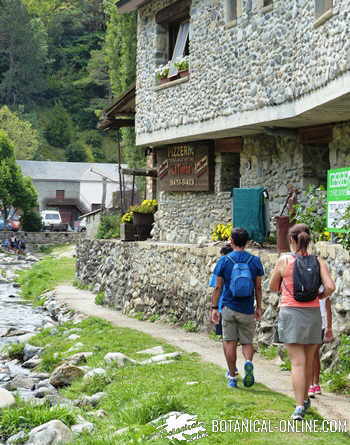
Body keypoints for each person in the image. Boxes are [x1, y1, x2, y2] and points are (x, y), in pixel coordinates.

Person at [269, 223, 335, 420]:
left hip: (290, 313)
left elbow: (273, 287)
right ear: (309, 239)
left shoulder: (284, 260)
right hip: (313, 314)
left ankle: (299, 406)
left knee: (297, 363)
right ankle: (305, 399)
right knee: (307, 362)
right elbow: (330, 286)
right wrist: (320, 296)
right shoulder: (318, 261)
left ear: (291, 239)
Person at [211, 228, 264, 389]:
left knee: (229, 342)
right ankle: (248, 362)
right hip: (247, 308)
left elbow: (218, 287)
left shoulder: (225, 261)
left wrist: (214, 307)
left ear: (232, 242)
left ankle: (232, 376)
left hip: (228, 307)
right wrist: (259, 307)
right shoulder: (254, 261)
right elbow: (258, 287)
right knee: (247, 342)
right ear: (247, 242)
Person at [308, 298, 334, 397]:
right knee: (314, 354)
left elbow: (328, 309)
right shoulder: (323, 286)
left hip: (317, 322)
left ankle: (312, 384)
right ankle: (315, 384)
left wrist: (329, 327)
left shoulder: (322, 287)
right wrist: (329, 327)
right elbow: (329, 309)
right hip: (316, 322)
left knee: (312, 353)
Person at [209, 244, 233, 337]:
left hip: (223, 306)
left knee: (226, 338)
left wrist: (213, 306)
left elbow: (216, 287)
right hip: (240, 307)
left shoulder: (221, 263)